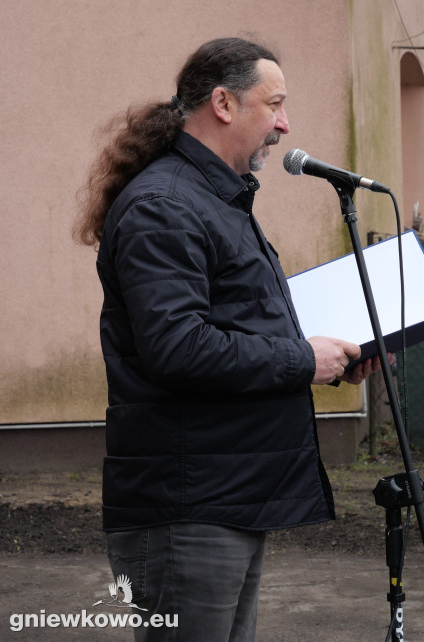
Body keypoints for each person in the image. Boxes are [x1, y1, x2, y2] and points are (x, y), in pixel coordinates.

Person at [73, 37, 380, 641]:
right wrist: (302, 359)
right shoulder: (165, 204)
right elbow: (179, 347)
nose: (285, 125)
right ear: (223, 103)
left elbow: (239, 323)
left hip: (224, 493)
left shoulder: (213, 198)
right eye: (275, 105)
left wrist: (330, 355)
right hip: (187, 503)